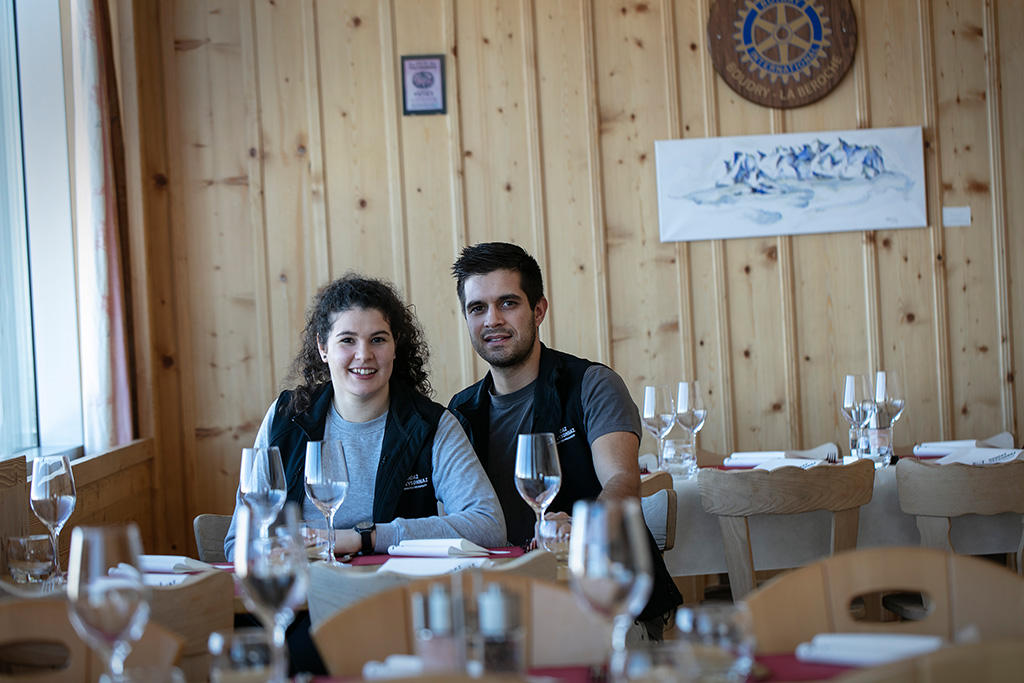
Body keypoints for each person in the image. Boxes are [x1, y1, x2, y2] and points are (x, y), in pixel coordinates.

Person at [448, 242, 683, 634]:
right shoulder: (460, 411)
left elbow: (621, 481)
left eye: (508, 303)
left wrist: (581, 527)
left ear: (538, 310)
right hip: (504, 604)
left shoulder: (592, 385)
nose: (492, 320)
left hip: (605, 604)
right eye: (477, 308)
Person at [224, 274, 506, 560]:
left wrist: (364, 538)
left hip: (391, 594)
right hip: (300, 594)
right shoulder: (284, 417)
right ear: (323, 347)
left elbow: (490, 525)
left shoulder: (432, 425)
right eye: (347, 340)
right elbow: (239, 541)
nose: (364, 354)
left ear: (395, 345)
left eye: (378, 340)